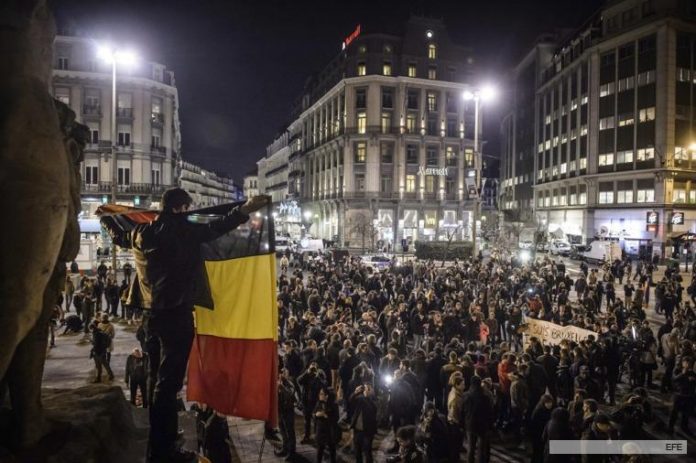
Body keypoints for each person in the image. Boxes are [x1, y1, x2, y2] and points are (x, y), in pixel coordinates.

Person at [99, 188, 269, 463]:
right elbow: (218, 226)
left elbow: (119, 237)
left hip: (150, 315)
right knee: (168, 384)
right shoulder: (185, 231)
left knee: (157, 377)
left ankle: (159, 442)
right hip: (177, 313)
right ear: (181, 208)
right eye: (187, 208)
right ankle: (165, 449)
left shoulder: (142, 232)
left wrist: (106, 217)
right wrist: (246, 209)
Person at [462, 375, 494, 463]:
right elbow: (490, 413)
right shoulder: (485, 397)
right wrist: (491, 425)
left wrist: (462, 424)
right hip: (482, 425)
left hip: (470, 424)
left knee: (471, 448)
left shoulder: (466, 395)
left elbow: (462, 411)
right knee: (481, 449)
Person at [350, 383, 378, 463]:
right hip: (357, 430)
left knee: (367, 452)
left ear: (370, 391)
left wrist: (367, 397)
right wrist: (355, 392)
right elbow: (351, 401)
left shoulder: (373, 400)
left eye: (366, 389)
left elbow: (371, 410)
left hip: (368, 432)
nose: (364, 390)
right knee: (357, 452)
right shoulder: (360, 398)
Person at [276, 368, 298, 460]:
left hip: (288, 411)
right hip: (280, 411)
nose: (282, 375)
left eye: (284, 373)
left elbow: (290, 394)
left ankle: (292, 452)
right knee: (282, 431)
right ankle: (285, 448)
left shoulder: (290, 384)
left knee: (290, 432)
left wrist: (282, 387)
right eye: (281, 373)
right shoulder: (277, 382)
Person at [314, 386, 340, 463]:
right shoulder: (318, 403)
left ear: (326, 396)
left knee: (332, 450)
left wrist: (326, 416)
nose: (319, 395)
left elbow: (336, 418)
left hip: (330, 431)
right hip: (320, 431)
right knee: (319, 451)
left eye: (321, 394)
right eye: (319, 393)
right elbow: (314, 413)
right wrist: (316, 415)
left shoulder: (334, 405)